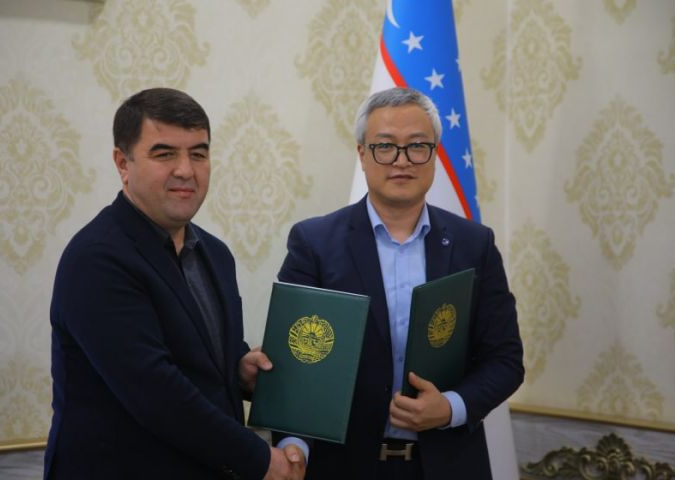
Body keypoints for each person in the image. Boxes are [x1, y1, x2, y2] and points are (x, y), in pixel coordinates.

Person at [45, 88, 305, 480]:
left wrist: (238, 369)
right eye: (165, 154)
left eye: (198, 154)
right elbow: (156, 393)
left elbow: (198, 356)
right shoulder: (97, 259)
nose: (186, 170)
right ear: (123, 163)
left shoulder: (215, 253)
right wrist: (261, 460)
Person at [277, 87, 524, 479]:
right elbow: (295, 363)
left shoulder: (474, 245)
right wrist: (294, 446)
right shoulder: (315, 244)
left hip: (447, 466)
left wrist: (451, 407)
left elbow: (505, 359)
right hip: (342, 467)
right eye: (385, 146)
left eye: (417, 146)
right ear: (362, 154)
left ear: (435, 154)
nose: (402, 160)